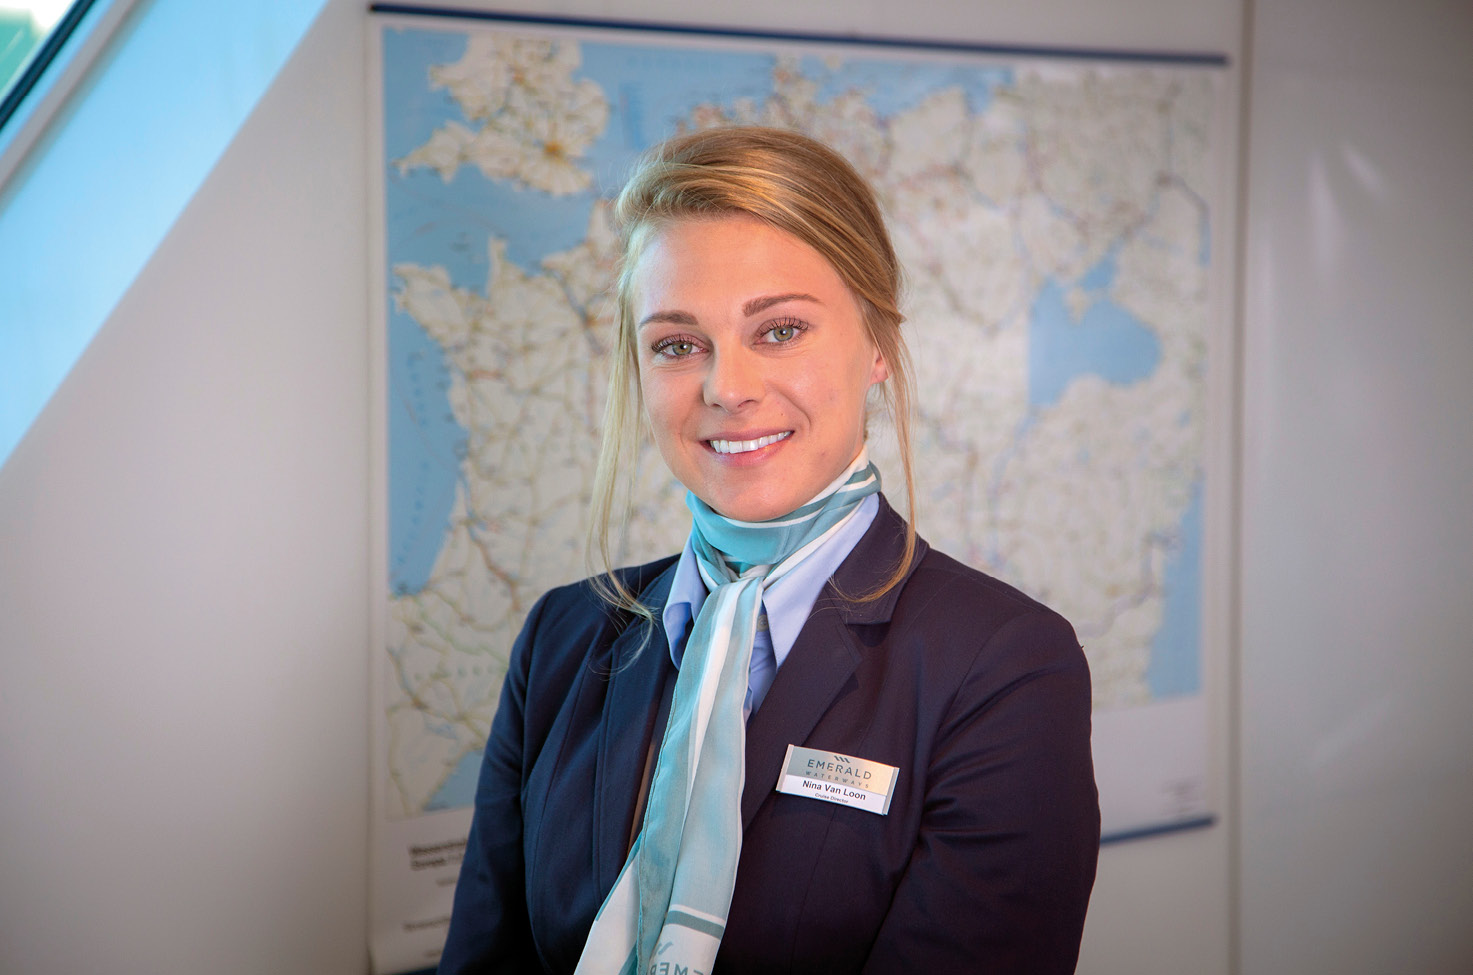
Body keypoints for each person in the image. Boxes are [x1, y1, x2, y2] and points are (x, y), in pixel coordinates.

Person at [438, 126, 1099, 975]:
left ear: (877, 346)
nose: (728, 388)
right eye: (677, 344)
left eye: (779, 330)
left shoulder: (1002, 665)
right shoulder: (561, 637)